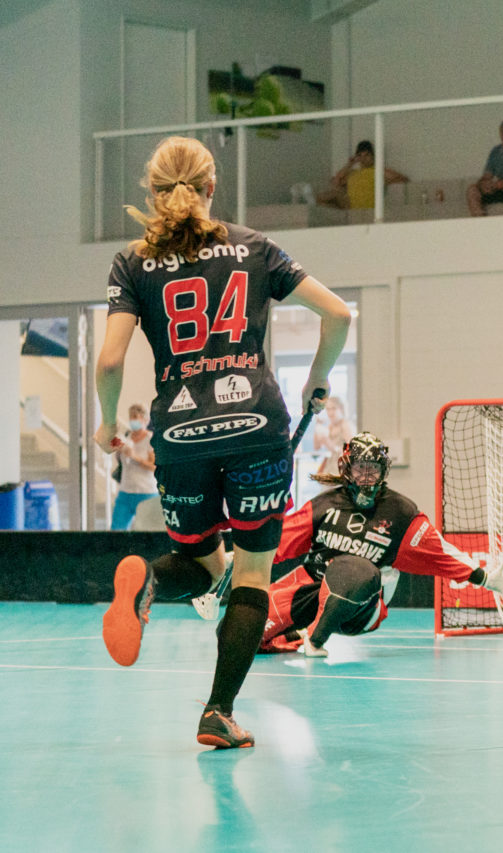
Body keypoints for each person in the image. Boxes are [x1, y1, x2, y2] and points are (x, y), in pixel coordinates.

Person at [95, 135, 352, 749]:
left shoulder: (132, 262)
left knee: (202, 561)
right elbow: (339, 314)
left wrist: (108, 424)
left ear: (152, 191)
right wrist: (316, 382)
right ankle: (218, 712)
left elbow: (109, 361)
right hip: (256, 429)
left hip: (180, 436)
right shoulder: (255, 247)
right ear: (213, 187)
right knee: (249, 576)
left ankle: (150, 581)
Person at [258, 432, 503, 657]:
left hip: (362, 607)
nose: (366, 477)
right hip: (311, 590)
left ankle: (315, 641)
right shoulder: (322, 506)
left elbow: (441, 553)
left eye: (373, 469)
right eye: (360, 468)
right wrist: (243, 558)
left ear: (384, 472)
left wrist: (484, 578)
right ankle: (294, 634)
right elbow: (278, 542)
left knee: (351, 568)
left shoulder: (400, 513)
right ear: (346, 469)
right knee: (248, 631)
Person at [316, 139, 409, 210]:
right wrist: (350, 164)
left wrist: (386, 181)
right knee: (321, 200)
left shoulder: (377, 171)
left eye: (367, 155)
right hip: (349, 208)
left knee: (334, 194)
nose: (363, 158)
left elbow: (404, 179)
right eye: (360, 155)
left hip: (367, 209)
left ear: (372, 156)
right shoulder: (353, 172)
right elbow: (336, 182)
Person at [109, 403, 158, 530]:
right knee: (117, 529)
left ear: (145, 420)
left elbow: (154, 466)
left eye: (135, 417)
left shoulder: (151, 439)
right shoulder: (126, 437)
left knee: (147, 531)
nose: (132, 420)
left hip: (146, 492)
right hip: (126, 491)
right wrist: (118, 449)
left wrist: (135, 456)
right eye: (131, 417)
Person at [467, 117, 503, 216]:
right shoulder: (495, 151)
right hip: (500, 190)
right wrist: (483, 184)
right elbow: (487, 175)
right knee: (472, 190)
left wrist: (500, 184)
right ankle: (480, 222)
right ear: (501, 135)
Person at [313, 395, 356, 476]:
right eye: (328, 409)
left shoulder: (345, 425)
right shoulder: (329, 427)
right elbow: (316, 447)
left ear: (341, 409)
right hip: (329, 467)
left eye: (333, 408)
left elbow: (351, 450)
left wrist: (332, 446)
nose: (330, 413)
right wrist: (317, 426)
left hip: (341, 468)